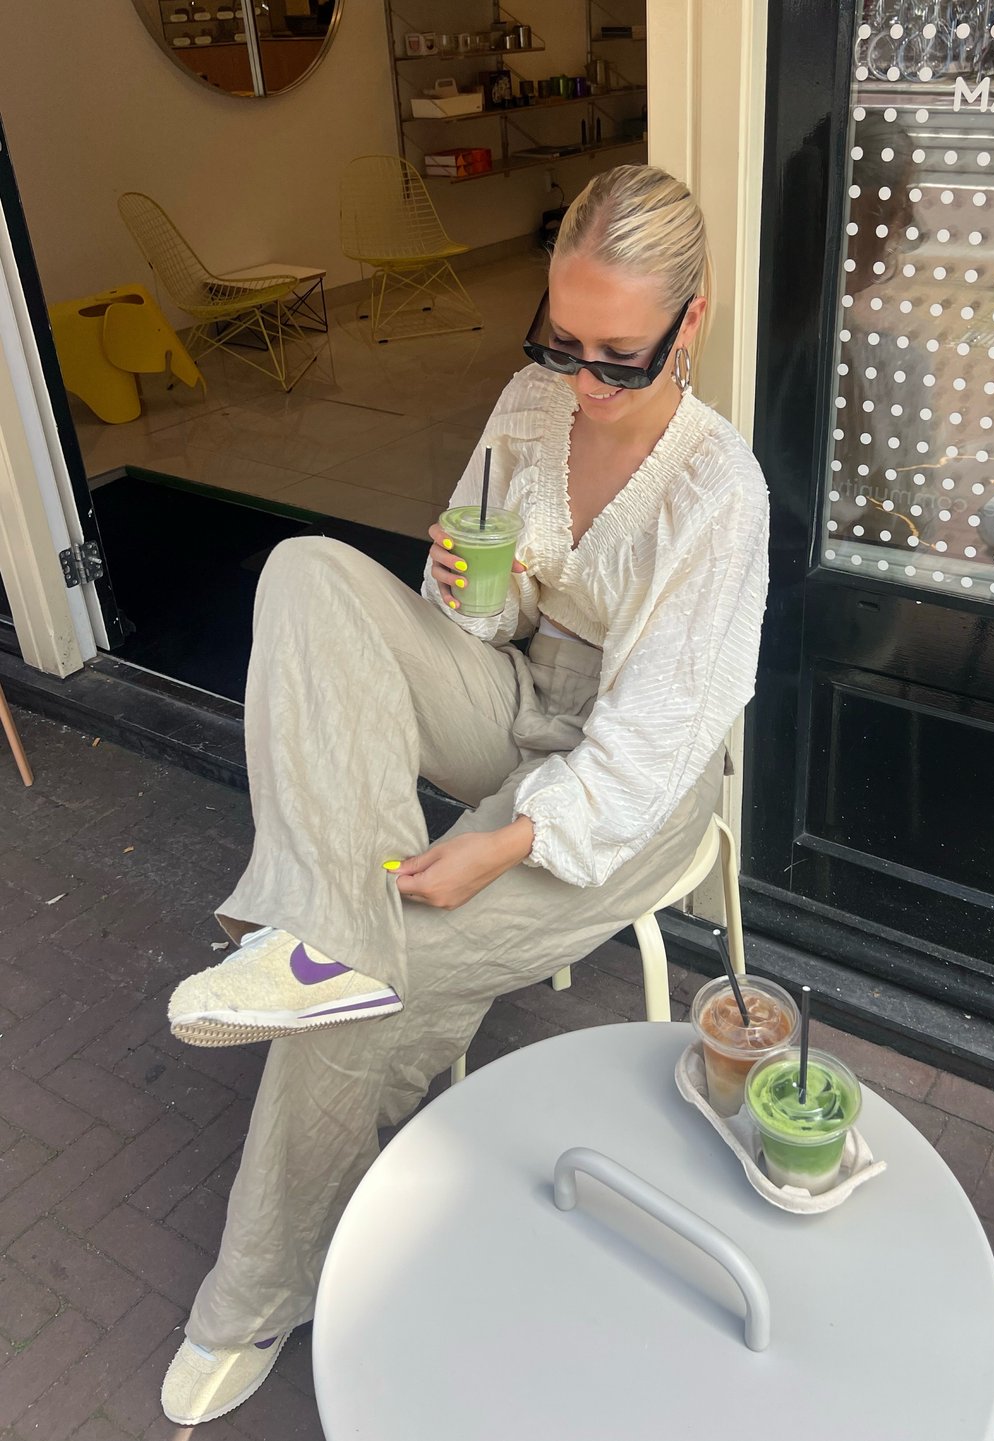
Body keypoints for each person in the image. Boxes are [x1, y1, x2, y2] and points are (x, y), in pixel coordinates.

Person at [160, 163, 770, 1426]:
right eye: (561, 341)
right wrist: (463, 584)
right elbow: (482, 618)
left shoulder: (721, 493)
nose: (582, 381)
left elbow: (651, 746)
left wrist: (507, 845)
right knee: (308, 572)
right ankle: (328, 935)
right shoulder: (533, 404)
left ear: (691, 320)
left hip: (626, 790)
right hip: (519, 694)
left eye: (618, 357)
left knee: (400, 955)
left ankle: (254, 1289)